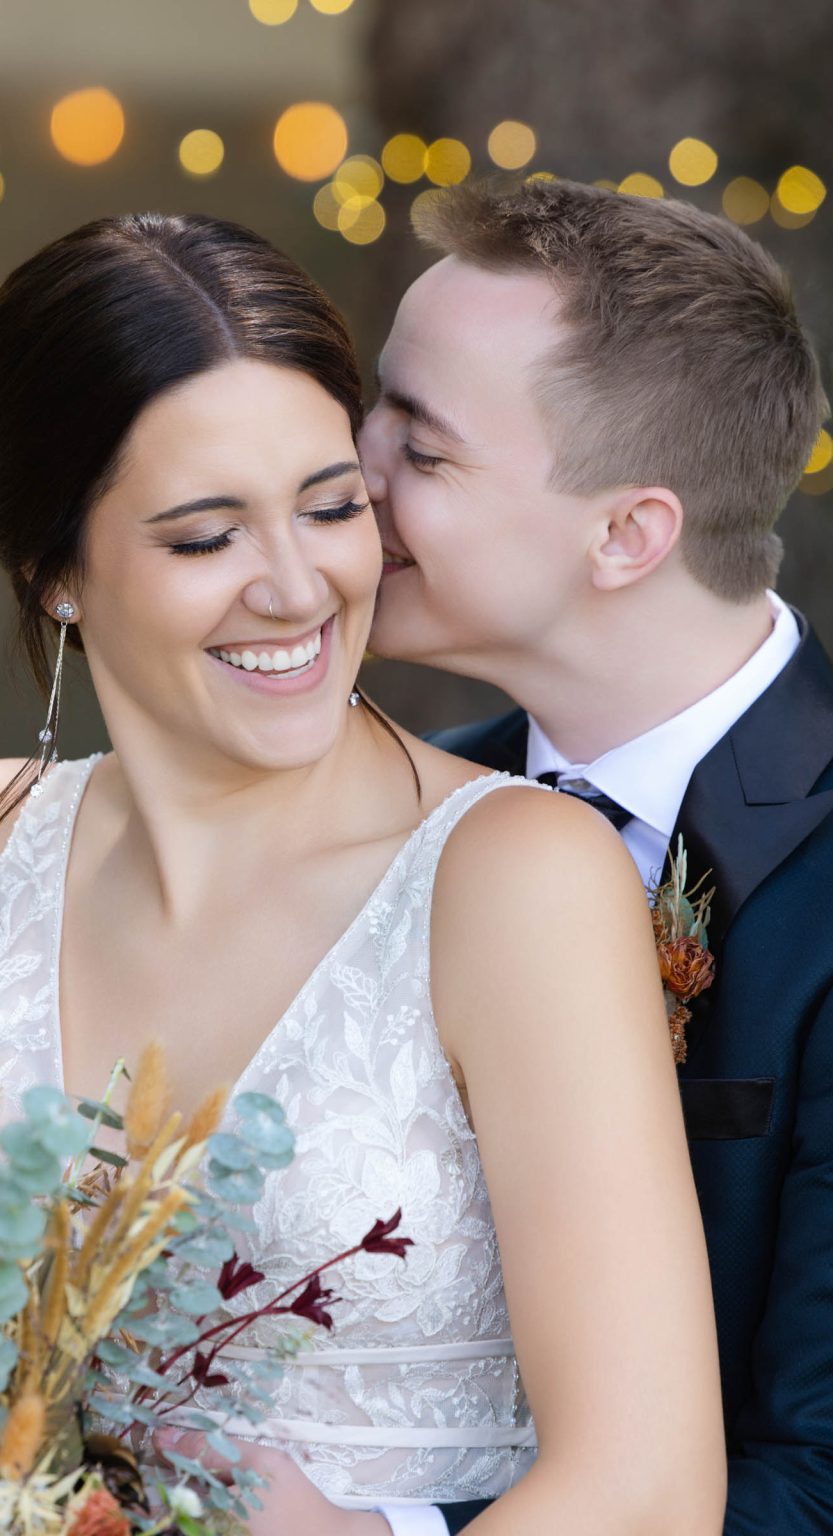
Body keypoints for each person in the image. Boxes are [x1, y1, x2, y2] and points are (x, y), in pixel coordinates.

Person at [0, 212, 724, 1535]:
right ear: (58, 575)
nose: (297, 586)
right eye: (205, 538)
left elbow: (648, 1487)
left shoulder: (516, 877)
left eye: (331, 507)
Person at [360, 175, 833, 1536]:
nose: (347, 470)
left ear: (626, 533)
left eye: (421, 448)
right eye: (370, 405)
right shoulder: (397, 809)